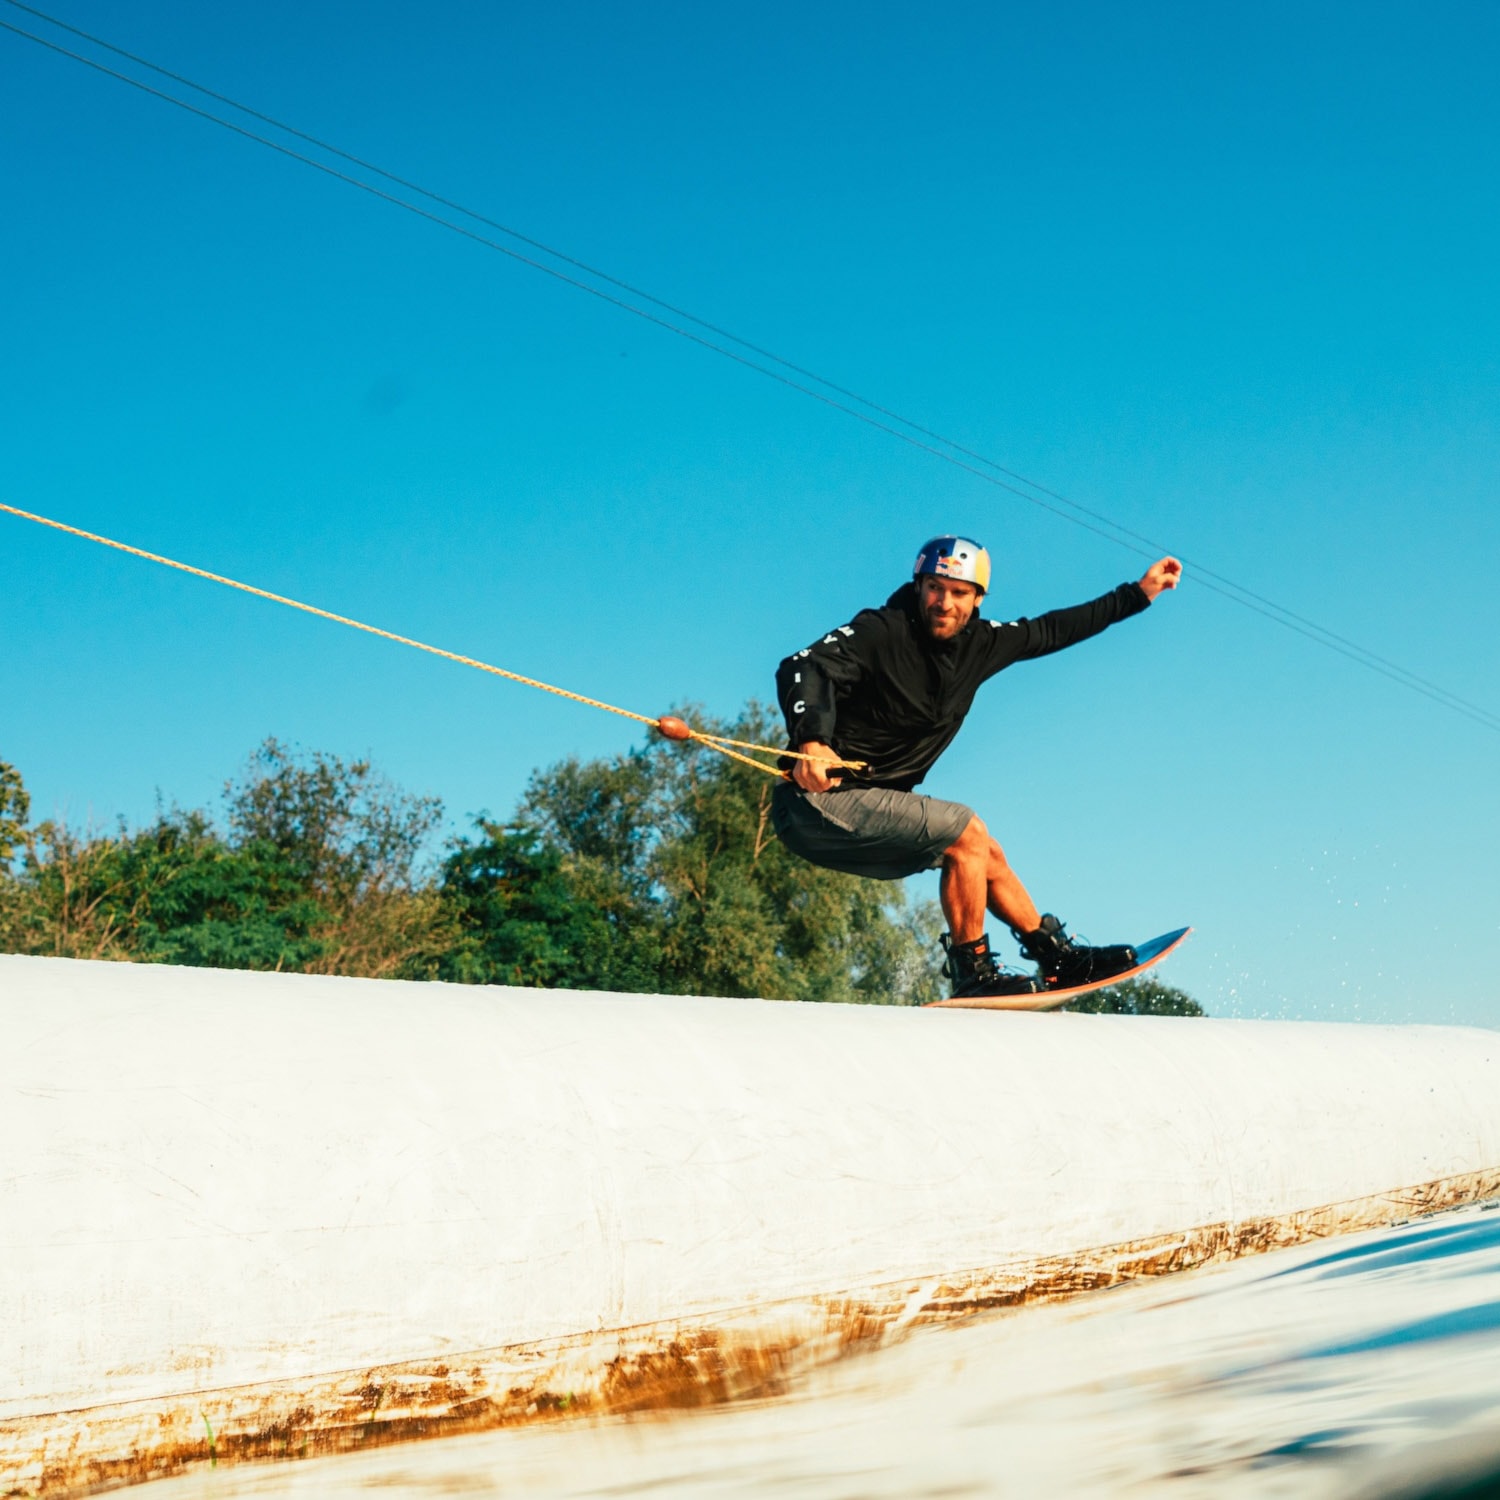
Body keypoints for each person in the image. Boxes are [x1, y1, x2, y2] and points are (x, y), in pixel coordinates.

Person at [772, 535, 1181, 998]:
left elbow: (1054, 629)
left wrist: (1139, 593)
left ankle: (1056, 958)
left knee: (985, 851)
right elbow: (802, 665)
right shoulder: (881, 631)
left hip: (869, 808)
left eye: (959, 592)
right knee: (965, 831)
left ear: (978, 598)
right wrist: (812, 739)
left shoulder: (981, 644)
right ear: (919, 586)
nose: (944, 603)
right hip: (816, 802)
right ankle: (974, 974)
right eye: (934, 588)